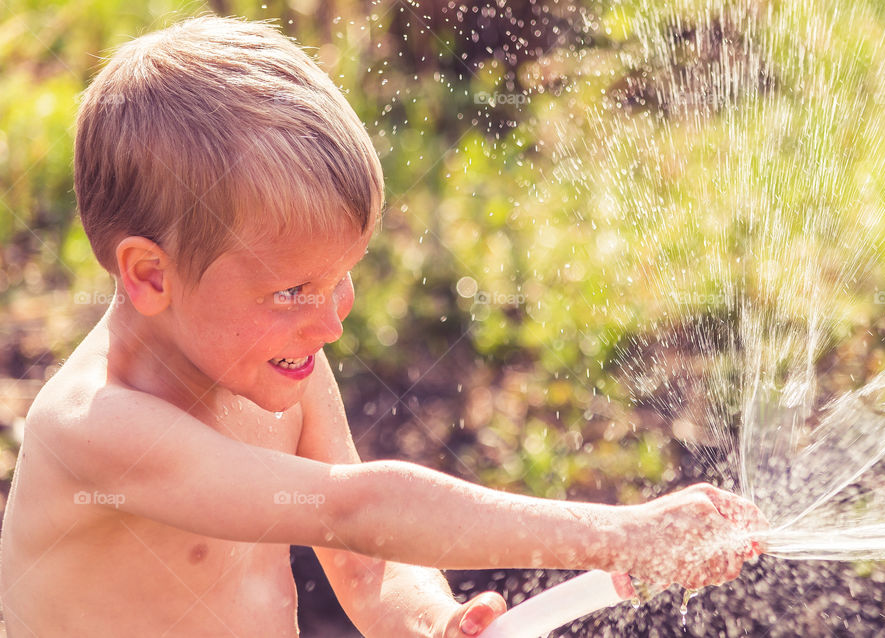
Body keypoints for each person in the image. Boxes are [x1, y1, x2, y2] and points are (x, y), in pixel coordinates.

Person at [0, 15, 765, 638]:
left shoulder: (277, 361)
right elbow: (353, 510)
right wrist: (620, 537)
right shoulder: (95, 432)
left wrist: (431, 619)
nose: (332, 321)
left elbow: (364, 564)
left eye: (342, 279)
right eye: (295, 288)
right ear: (150, 275)